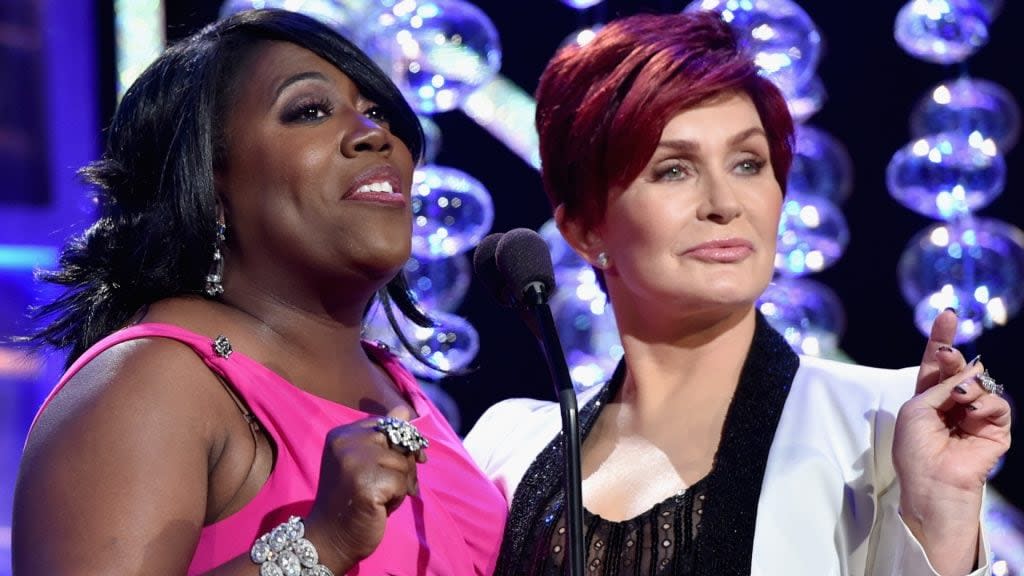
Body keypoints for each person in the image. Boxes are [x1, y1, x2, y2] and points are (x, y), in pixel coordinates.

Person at [465, 11, 1011, 575]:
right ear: (584, 229)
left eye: (749, 163)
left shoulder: (885, 422)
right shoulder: (506, 448)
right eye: (674, 170)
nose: (725, 203)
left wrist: (940, 516)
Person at [12, 9, 506, 575]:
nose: (377, 134)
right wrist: (320, 545)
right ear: (210, 185)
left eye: (376, 112)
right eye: (310, 111)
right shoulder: (154, 380)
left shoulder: (392, 384)